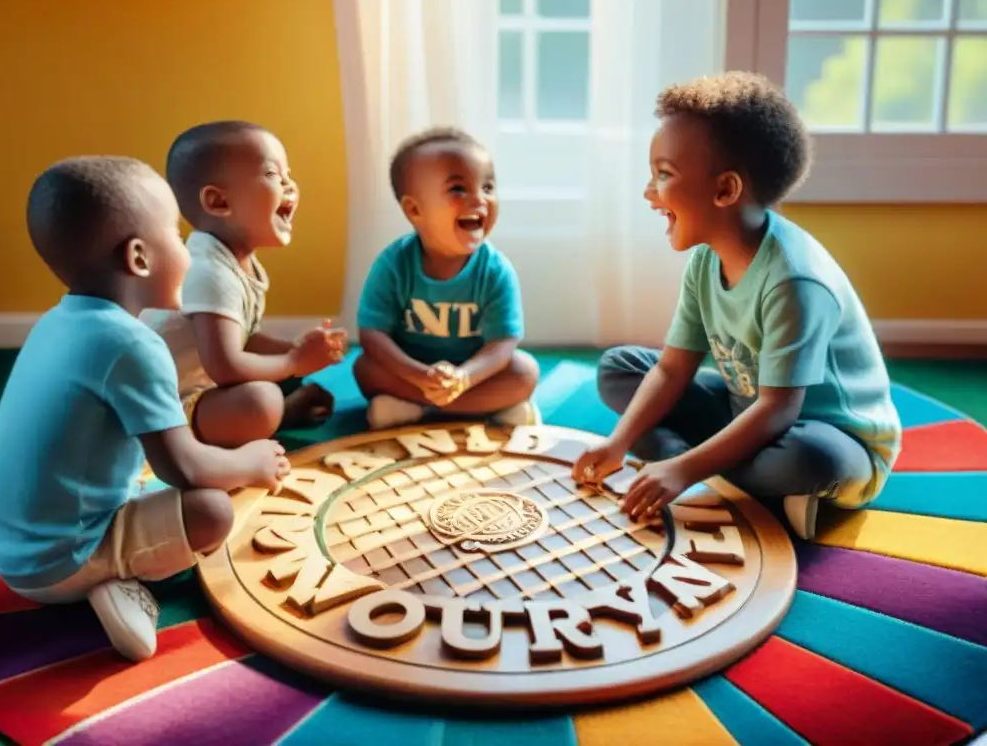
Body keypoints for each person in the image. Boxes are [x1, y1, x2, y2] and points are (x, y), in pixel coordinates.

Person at [0, 156, 292, 663]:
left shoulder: (57, 321)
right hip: (59, 561)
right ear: (140, 258)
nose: (189, 254)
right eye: (176, 234)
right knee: (213, 509)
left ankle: (107, 561)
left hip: (10, 546)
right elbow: (184, 466)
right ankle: (114, 578)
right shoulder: (131, 343)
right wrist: (253, 463)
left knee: (193, 482)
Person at [571, 72, 902, 541]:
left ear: (725, 190)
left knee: (809, 460)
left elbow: (777, 411)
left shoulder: (795, 279)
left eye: (664, 175)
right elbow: (670, 369)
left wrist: (682, 470)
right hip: (742, 407)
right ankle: (711, 467)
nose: (650, 192)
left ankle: (690, 463)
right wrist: (618, 442)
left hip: (829, 436)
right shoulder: (707, 259)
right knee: (620, 368)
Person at [141, 121, 346, 449]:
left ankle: (273, 413)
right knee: (261, 401)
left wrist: (295, 349)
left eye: (288, 175)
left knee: (282, 381)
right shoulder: (209, 270)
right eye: (272, 175)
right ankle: (272, 418)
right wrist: (293, 361)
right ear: (219, 202)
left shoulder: (233, 259)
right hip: (158, 412)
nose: (290, 186)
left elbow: (243, 338)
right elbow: (226, 366)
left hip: (197, 386)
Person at [352, 127, 540, 429]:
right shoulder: (393, 264)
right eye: (458, 189)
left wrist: (465, 377)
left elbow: (502, 344)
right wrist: (419, 376)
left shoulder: (495, 270)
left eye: (488, 188)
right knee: (364, 368)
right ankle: (487, 412)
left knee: (524, 372)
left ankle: (419, 411)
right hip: (412, 372)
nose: (479, 199)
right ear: (415, 210)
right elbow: (373, 336)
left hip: (475, 376)